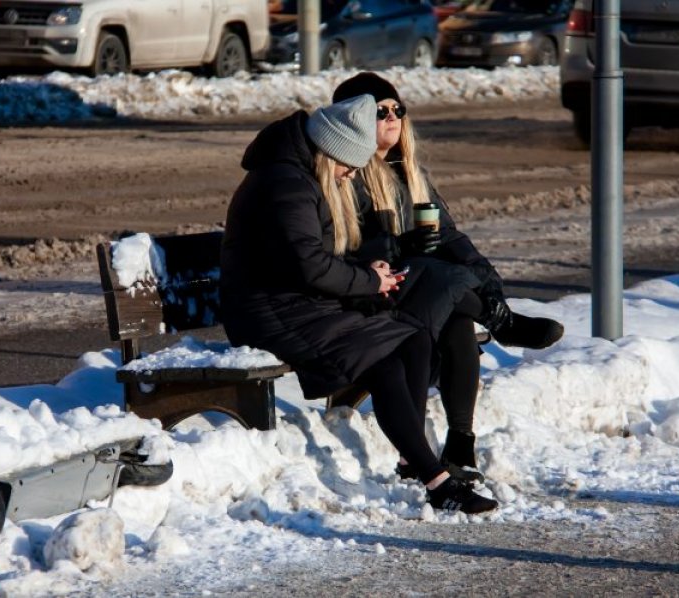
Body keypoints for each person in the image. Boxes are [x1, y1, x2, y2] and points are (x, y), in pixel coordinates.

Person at [220, 94, 498, 514]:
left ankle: (411, 456)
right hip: (269, 312)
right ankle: (437, 481)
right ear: (329, 152)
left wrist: (368, 269)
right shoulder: (285, 184)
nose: (350, 175)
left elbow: (311, 257)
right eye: (348, 165)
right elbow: (309, 265)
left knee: (413, 338)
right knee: (383, 363)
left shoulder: (300, 176)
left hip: (299, 303)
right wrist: (369, 280)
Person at [332, 72, 564, 484]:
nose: (391, 117)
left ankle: (461, 442)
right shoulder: (350, 177)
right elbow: (351, 253)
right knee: (443, 285)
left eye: (396, 109)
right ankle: (502, 322)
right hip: (371, 294)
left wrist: (484, 277)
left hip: (422, 287)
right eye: (379, 111)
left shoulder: (411, 174)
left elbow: (451, 237)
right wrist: (407, 248)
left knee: (456, 315)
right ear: (354, 121)